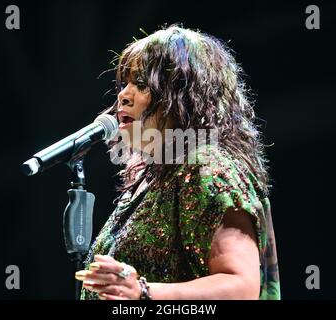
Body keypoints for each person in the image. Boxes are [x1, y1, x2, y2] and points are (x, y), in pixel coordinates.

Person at [75, 25, 280, 300]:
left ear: (183, 96)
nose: (123, 95)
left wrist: (144, 292)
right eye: (124, 83)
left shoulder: (207, 168)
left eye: (141, 84)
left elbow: (241, 287)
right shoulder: (154, 182)